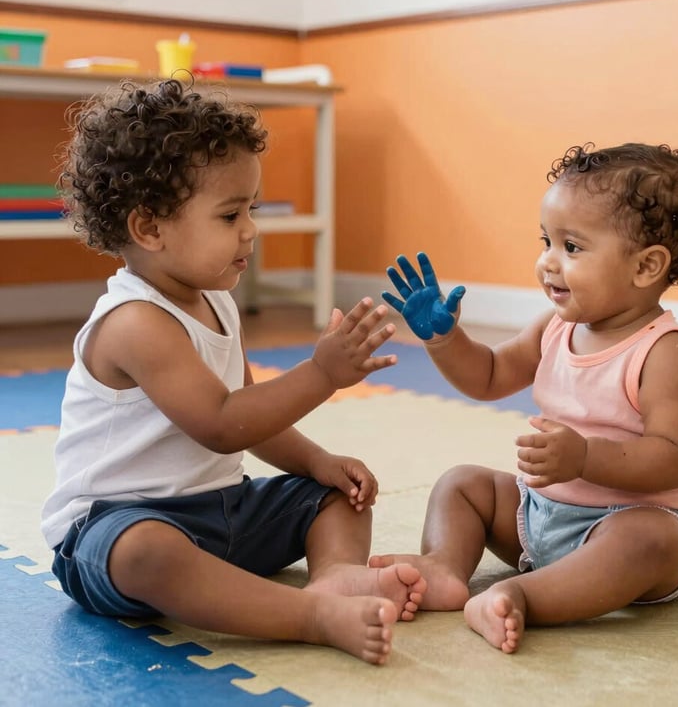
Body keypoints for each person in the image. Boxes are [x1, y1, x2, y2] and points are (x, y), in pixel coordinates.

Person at [40, 78, 426, 666]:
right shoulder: (135, 322)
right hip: (114, 529)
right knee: (148, 552)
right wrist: (321, 374)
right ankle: (309, 616)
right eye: (229, 214)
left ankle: (336, 581)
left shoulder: (217, 298)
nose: (250, 230)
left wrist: (317, 464)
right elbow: (221, 424)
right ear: (150, 228)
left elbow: (251, 411)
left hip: (223, 510)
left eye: (253, 208)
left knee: (338, 498)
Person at [371, 142, 678, 654]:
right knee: (462, 484)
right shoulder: (555, 328)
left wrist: (584, 456)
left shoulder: (664, 352)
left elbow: (676, 457)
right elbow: (489, 377)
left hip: (631, 527)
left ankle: (521, 596)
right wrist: (444, 341)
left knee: (650, 541)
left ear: (646, 267)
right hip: (539, 517)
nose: (548, 263)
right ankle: (447, 567)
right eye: (547, 242)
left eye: (572, 248)